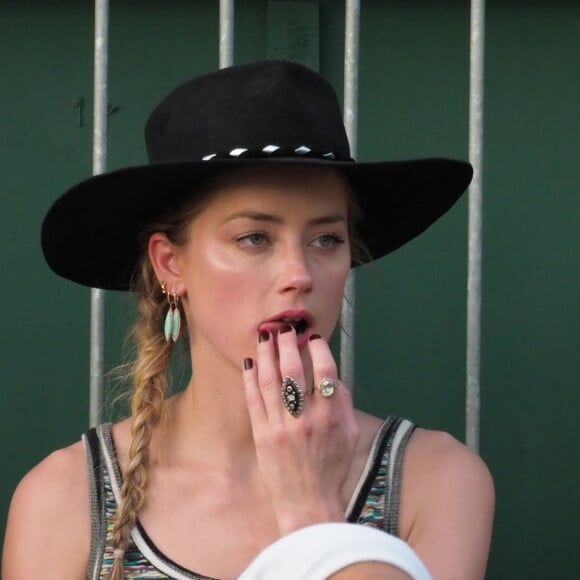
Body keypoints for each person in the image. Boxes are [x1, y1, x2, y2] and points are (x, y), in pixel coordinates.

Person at [2, 60, 494, 580]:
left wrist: (312, 511)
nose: (298, 274)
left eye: (326, 239)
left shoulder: (433, 479)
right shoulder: (67, 499)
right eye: (254, 238)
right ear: (171, 263)